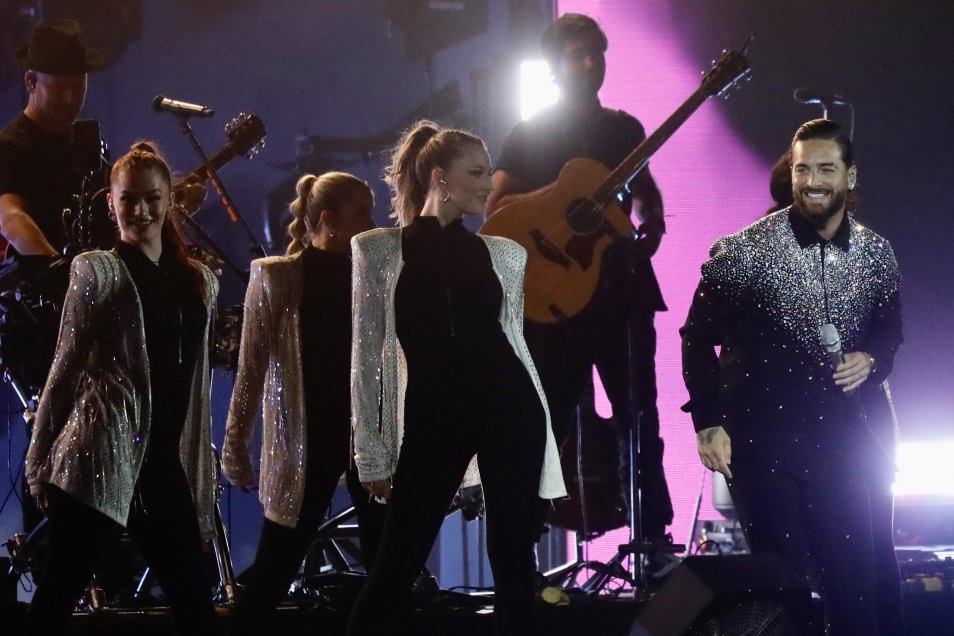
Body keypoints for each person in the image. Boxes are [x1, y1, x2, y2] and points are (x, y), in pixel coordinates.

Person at [681, 119, 903, 635]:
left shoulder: (877, 255)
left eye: (826, 169)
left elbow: (890, 337)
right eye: (803, 169)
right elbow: (696, 338)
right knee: (784, 590)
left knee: (856, 589)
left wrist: (870, 360)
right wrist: (708, 421)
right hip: (762, 444)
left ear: (850, 176)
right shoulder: (745, 252)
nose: (813, 181)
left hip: (845, 444)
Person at [345, 120, 566, 636]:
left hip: (511, 410)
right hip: (434, 415)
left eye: (488, 172)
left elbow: (516, 346)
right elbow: (367, 356)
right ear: (440, 178)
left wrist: (546, 439)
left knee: (514, 563)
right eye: (477, 173)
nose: (490, 185)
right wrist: (371, 451)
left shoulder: (503, 255)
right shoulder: (377, 250)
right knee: (395, 564)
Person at [485, 13, 674, 552]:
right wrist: (555, 203)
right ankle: (521, 542)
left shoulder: (624, 128)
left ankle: (651, 539)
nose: (592, 64)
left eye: (598, 53)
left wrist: (652, 220)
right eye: (578, 55)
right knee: (543, 421)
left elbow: (644, 193)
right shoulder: (531, 133)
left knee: (641, 415)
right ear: (554, 65)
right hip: (557, 301)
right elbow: (497, 208)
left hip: (620, 291)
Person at [23, 142, 219, 634]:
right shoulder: (99, 269)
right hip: (98, 456)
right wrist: (39, 462)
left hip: (160, 461)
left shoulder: (198, 280)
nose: (141, 210)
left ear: (170, 198)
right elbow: (64, 368)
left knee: (194, 598)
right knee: (58, 594)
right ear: (111, 203)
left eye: (152, 197)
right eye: (128, 199)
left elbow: (196, 384)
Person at [222, 171, 383, 635]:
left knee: (386, 572)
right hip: (304, 446)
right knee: (274, 571)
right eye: (362, 213)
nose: (372, 223)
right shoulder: (279, 278)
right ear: (329, 220)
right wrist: (235, 448)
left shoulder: (371, 280)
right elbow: (250, 369)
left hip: (364, 444)